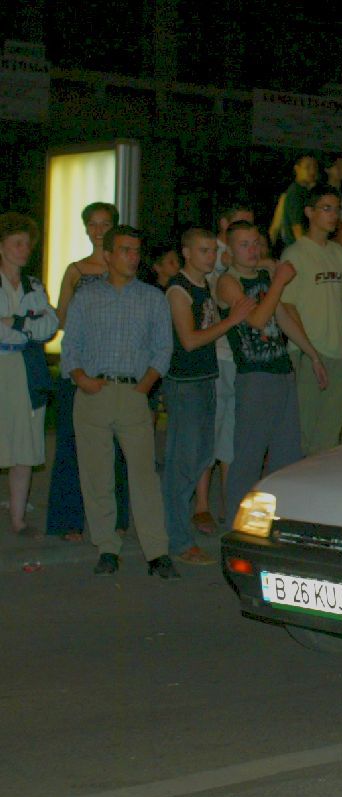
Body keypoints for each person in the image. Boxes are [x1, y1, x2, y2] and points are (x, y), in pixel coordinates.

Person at [60, 225, 179, 578]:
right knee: (97, 476)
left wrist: (144, 386)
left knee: (144, 476)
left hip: (133, 393)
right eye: (125, 250)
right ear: (108, 255)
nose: (133, 257)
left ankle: (156, 551)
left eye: (136, 251)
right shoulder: (88, 296)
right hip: (94, 393)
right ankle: (107, 547)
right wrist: (80, 378)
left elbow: (163, 348)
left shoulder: (152, 298)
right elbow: (71, 345)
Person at [218, 222, 327, 512]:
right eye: (244, 244)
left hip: (281, 371)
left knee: (287, 456)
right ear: (229, 251)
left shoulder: (266, 277)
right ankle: (235, 524)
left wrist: (312, 354)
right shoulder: (228, 282)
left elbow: (282, 319)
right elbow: (255, 319)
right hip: (254, 376)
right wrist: (278, 282)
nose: (252, 250)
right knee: (248, 458)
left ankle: (279, 520)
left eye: (256, 243)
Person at [161, 229, 253, 565]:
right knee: (183, 462)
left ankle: (178, 534)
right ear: (186, 252)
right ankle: (177, 539)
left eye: (213, 251)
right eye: (203, 251)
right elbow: (189, 340)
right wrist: (232, 320)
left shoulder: (204, 286)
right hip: (186, 383)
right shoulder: (179, 289)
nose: (210, 257)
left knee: (201, 457)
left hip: (205, 379)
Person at [47, 202, 130, 543]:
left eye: (104, 224)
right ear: (85, 229)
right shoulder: (76, 271)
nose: (98, 230)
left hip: (118, 368)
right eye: (92, 224)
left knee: (117, 446)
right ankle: (70, 520)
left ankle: (116, 517)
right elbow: (61, 320)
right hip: (81, 368)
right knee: (72, 444)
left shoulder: (126, 268)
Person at [280, 184, 342, 455]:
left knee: (329, 434)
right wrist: (310, 352)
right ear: (309, 212)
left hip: (339, 354)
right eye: (326, 208)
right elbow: (288, 306)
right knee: (304, 432)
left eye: (336, 209)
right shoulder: (295, 253)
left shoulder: (340, 254)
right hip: (308, 354)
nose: (333, 215)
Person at [0, 213, 57, 539]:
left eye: (27, 244)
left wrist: (17, 322)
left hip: (25, 369)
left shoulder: (34, 286)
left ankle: (19, 519)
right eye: (16, 243)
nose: (24, 250)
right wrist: (25, 323)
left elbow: (48, 327)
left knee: (24, 445)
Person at [271, 154, 319, 248]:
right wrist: (307, 251)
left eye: (314, 167)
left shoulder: (305, 191)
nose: (312, 171)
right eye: (307, 167)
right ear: (297, 169)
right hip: (296, 248)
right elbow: (297, 227)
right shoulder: (295, 193)